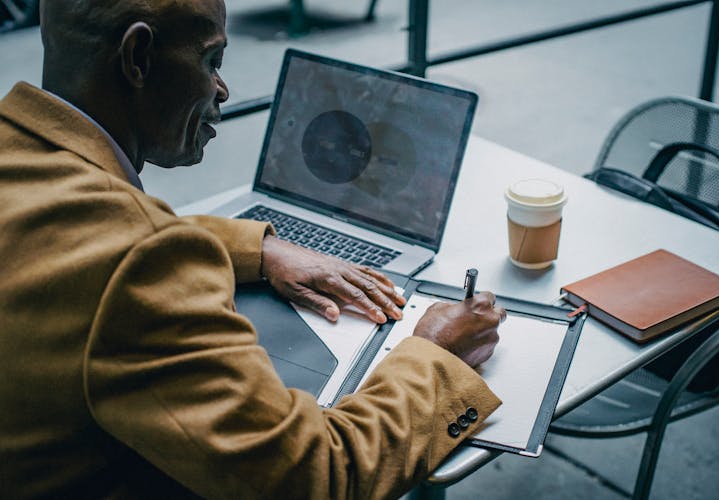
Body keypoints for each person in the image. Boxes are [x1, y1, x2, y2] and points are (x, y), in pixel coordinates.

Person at [0, 0, 505, 498]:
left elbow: (87, 236)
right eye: (210, 61)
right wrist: (437, 354)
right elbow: (315, 477)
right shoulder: (138, 261)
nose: (221, 88)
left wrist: (261, 250)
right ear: (138, 58)